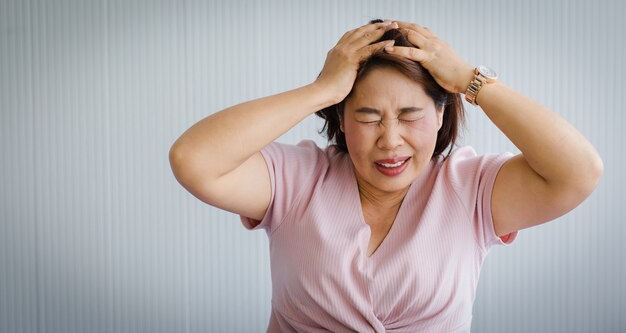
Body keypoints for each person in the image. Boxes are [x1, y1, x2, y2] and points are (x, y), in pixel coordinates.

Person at [169, 19, 603, 332]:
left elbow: (579, 172)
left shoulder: (472, 188)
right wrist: (322, 89)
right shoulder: (298, 178)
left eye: (410, 115)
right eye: (368, 116)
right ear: (341, 117)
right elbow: (194, 159)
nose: (390, 140)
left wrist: (471, 81)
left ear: (439, 114)